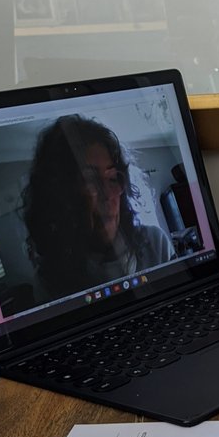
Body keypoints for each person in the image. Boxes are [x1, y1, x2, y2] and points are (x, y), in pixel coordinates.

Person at [23, 114, 174, 300]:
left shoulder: (155, 243)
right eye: (90, 180)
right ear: (61, 195)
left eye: (112, 179)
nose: (108, 195)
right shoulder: (49, 280)